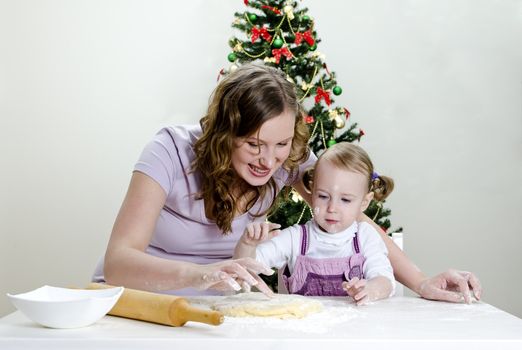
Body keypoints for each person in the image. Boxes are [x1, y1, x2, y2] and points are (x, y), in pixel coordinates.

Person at [93, 62, 482, 303]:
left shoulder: (286, 159)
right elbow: (118, 262)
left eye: (281, 144)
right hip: (141, 303)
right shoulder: (169, 151)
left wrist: (421, 280)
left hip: (219, 310)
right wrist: (199, 277)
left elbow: (346, 215)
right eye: (253, 144)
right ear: (224, 132)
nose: (268, 160)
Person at [234, 142, 395, 305]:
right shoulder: (295, 238)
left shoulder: (365, 237)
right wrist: (247, 244)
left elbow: (385, 281)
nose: (332, 208)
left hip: (352, 328)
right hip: (303, 326)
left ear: (364, 202)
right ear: (312, 190)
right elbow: (246, 270)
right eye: (323, 196)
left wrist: (370, 289)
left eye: (345, 200)